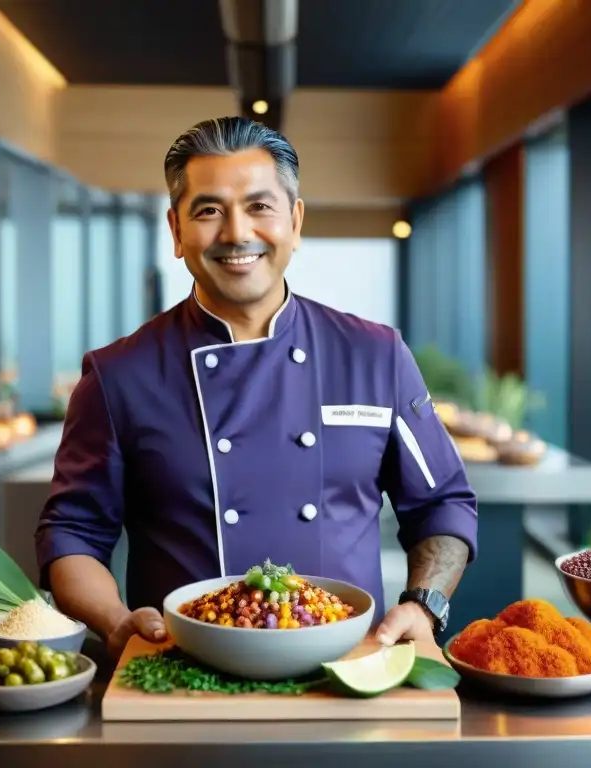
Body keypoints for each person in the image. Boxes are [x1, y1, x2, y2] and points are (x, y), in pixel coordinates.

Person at [35, 116, 478, 659]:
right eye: (208, 211)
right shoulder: (118, 375)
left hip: (346, 666)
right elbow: (73, 533)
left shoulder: (374, 355)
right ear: (176, 232)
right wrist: (115, 620)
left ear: (295, 221)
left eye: (260, 206)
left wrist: (425, 602)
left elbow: (442, 503)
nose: (237, 232)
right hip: (182, 667)